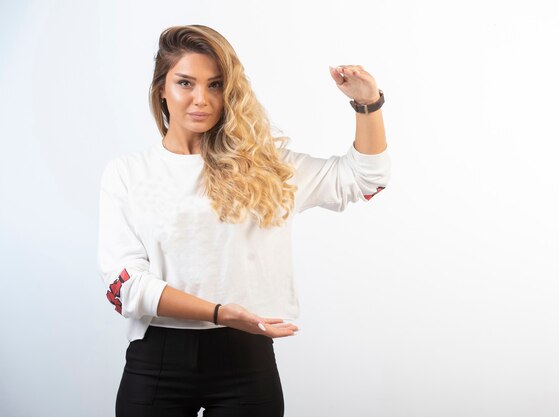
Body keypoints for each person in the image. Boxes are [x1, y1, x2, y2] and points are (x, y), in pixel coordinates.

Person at [97, 24, 390, 417]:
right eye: (186, 83)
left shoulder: (265, 168)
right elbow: (125, 287)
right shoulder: (129, 174)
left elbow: (365, 179)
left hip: (245, 359)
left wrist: (368, 105)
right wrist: (219, 313)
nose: (201, 99)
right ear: (161, 90)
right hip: (158, 360)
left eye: (215, 85)